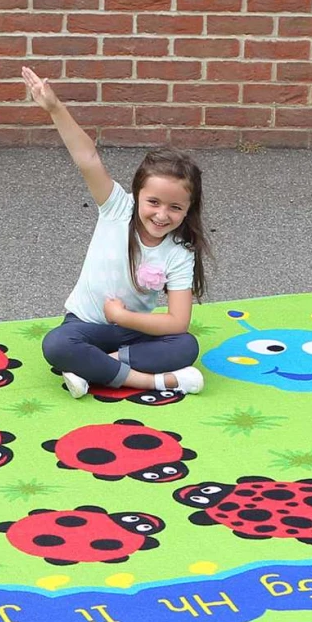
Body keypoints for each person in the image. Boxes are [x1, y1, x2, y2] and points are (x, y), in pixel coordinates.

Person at [23, 66, 209, 399]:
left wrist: (123, 317)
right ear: (137, 194)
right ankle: (155, 382)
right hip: (84, 327)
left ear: (188, 209)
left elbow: (177, 322)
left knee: (186, 346)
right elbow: (87, 157)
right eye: (153, 202)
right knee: (57, 345)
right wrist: (54, 108)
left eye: (175, 207)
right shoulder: (117, 209)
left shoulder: (180, 252)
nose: (161, 215)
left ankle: (93, 368)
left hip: (130, 331)